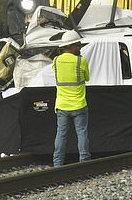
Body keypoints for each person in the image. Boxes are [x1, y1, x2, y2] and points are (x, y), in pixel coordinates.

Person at [52, 30, 91, 166]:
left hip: (62, 105)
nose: (80, 48)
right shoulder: (81, 61)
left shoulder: (56, 61)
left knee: (61, 134)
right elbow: (87, 77)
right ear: (71, 46)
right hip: (79, 105)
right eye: (78, 45)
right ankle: (84, 161)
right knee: (82, 133)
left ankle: (57, 163)